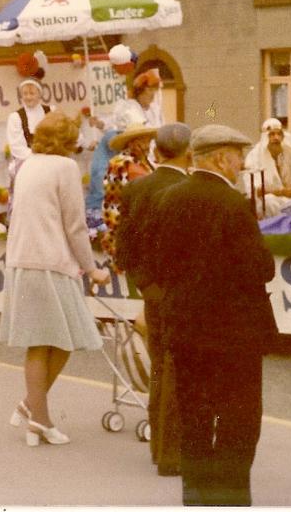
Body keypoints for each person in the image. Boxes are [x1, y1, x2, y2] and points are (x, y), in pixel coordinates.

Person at [152, 124, 277, 506]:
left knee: (195, 416)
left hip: (187, 330)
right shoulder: (232, 204)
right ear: (221, 158)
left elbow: (159, 264)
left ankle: (196, 494)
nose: (240, 163)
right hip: (234, 334)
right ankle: (230, 496)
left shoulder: (169, 198)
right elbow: (260, 267)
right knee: (239, 419)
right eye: (237, 155)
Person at [0, 111, 110, 446]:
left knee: (40, 341)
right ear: (67, 139)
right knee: (64, 340)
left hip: (22, 260)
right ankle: (40, 418)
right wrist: (92, 269)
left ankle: (33, 409)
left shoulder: (28, 164)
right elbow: (75, 226)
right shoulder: (65, 168)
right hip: (49, 261)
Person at [114, 122, 191, 477]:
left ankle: (161, 446)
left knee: (161, 365)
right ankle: (173, 453)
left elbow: (125, 248)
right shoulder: (189, 189)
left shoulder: (136, 190)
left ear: (157, 152)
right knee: (180, 369)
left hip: (153, 292)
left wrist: (146, 286)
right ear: (188, 153)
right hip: (183, 292)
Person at [100, 120, 156, 261]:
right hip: (126, 228)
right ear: (131, 144)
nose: (146, 147)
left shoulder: (140, 162)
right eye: (142, 143)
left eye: (148, 142)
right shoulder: (124, 163)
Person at [243, 118, 291, 217]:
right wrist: (280, 192)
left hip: (288, 199)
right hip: (266, 201)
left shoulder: (288, 152)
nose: (276, 138)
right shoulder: (255, 156)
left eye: (279, 134)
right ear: (265, 137)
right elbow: (254, 189)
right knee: (269, 201)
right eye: (272, 134)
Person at [5, 78, 50, 178]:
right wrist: (39, 160)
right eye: (25, 94)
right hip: (26, 166)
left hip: (51, 164)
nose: (28, 97)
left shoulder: (51, 112)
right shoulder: (15, 117)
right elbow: (17, 147)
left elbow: (63, 133)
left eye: (32, 93)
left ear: (39, 94)